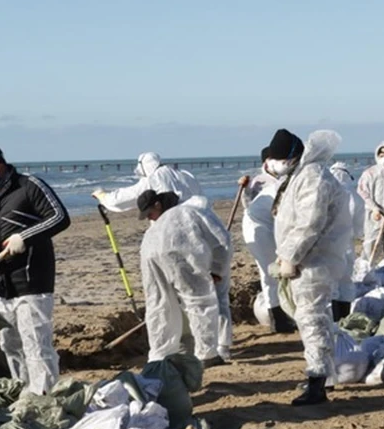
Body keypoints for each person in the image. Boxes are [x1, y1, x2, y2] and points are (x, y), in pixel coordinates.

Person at [0, 143, 71, 394]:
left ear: (0, 164)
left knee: (36, 343)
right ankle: (24, 392)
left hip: (31, 280)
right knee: (10, 345)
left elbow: (60, 217)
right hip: (0, 285)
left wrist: (24, 237)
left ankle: (45, 396)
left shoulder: (28, 186)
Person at [270, 129, 353, 406]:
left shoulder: (313, 177)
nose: (276, 164)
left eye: (280, 158)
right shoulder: (301, 175)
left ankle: (317, 383)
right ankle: (322, 376)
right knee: (315, 319)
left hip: (313, 261)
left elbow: (309, 222)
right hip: (307, 260)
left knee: (311, 319)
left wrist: (291, 256)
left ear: (293, 156)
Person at [138, 190, 232, 367]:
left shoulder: (187, 211)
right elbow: (223, 241)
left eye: (150, 214)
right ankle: (207, 354)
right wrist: (218, 269)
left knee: (159, 304)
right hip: (171, 253)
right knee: (198, 301)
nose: (151, 218)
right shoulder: (191, 210)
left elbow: (221, 241)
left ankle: (159, 356)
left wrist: (217, 269)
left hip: (152, 252)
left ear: (158, 205)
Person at [240, 146, 295, 333]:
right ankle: (277, 318)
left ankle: (283, 313)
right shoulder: (262, 182)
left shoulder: (283, 181)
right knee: (270, 271)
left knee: (276, 270)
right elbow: (250, 205)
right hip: (258, 227)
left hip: (269, 224)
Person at [92, 152, 202, 212]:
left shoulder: (154, 179)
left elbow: (126, 196)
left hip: (174, 223)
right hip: (198, 221)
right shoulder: (185, 174)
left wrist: (102, 196)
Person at [328, 161, 361, 321]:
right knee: (346, 280)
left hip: (328, 243)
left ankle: (334, 318)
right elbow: (359, 225)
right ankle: (345, 317)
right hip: (347, 242)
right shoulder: (354, 196)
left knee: (332, 281)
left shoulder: (327, 193)